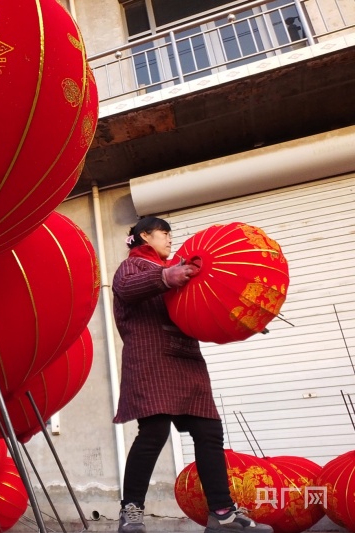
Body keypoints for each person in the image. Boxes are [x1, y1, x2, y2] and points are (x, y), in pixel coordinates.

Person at [112, 217, 272, 533]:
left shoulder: (179, 271)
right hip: (151, 360)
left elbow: (205, 303)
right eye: (164, 233)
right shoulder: (133, 267)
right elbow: (127, 289)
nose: (170, 239)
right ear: (145, 235)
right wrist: (165, 277)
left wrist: (241, 316)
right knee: (154, 433)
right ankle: (131, 511)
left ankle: (222, 514)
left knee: (209, 432)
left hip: (187, 361)